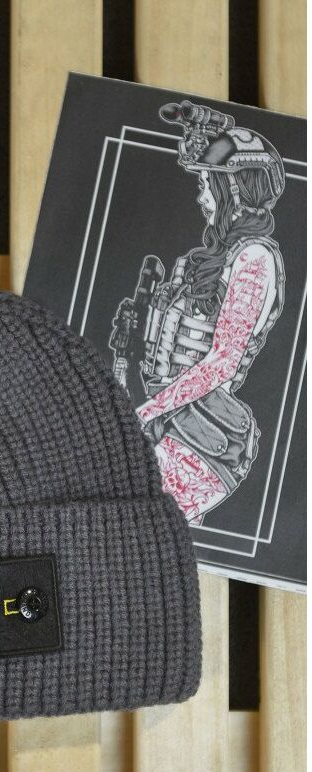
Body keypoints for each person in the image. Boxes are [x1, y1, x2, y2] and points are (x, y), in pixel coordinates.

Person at [127, 101, 285, 521]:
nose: (201, 198)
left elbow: (223, 362)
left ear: (234, 190)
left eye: (207, 184)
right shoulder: (209, 259)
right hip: (167, 417)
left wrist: (147, 412)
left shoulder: (255, 259)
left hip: (203, 435)